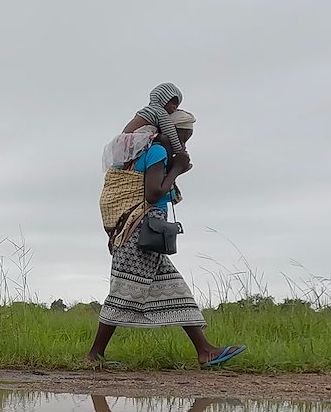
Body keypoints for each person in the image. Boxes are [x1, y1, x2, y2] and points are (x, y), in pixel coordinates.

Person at [87, 111, 246, 367]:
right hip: (141, 235)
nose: (184, 144)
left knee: (176, 291)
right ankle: (93, 356)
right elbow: (153, 193)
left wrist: (174, 169)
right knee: (123, 292)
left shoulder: (137, 153)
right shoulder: (159, 151)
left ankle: (206, 351)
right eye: (184, 137)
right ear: (172, 132)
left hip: (138, 236)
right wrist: (178, 169)